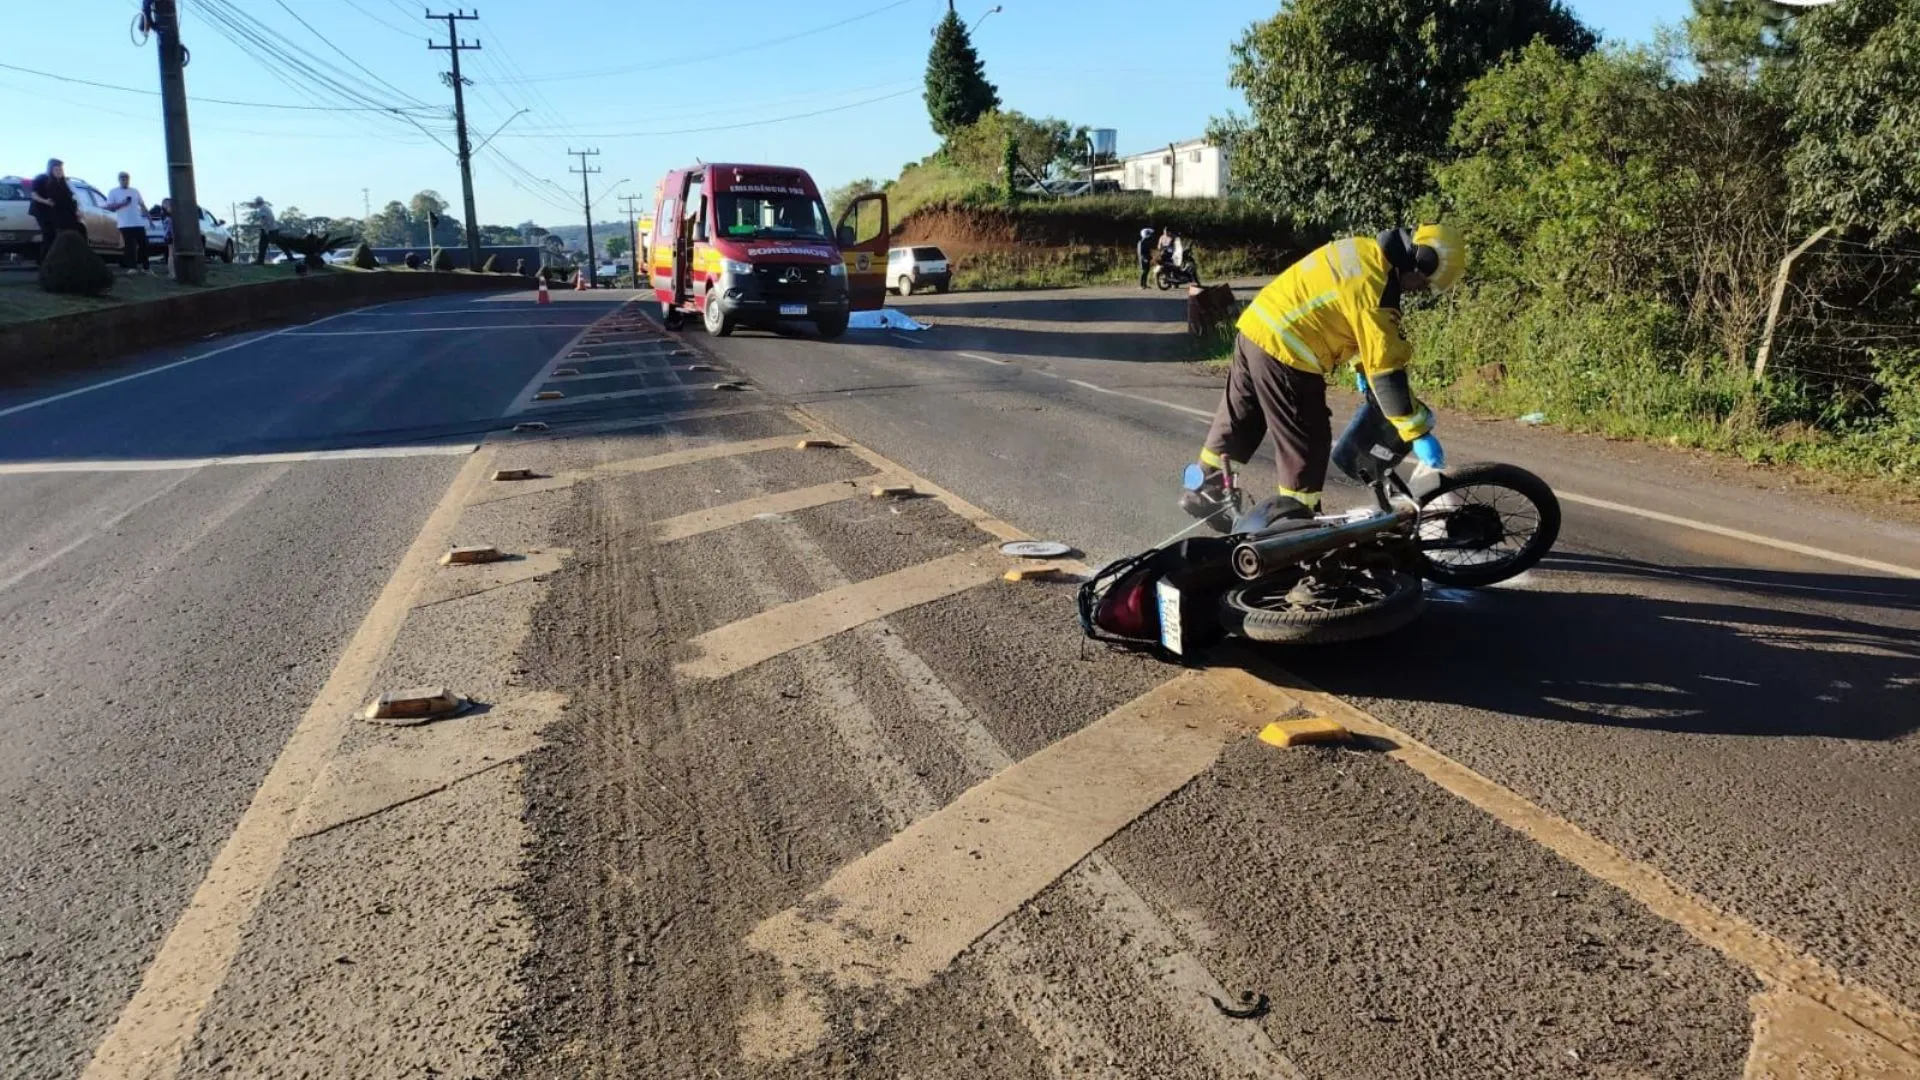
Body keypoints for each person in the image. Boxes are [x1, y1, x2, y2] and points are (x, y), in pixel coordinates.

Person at [1178, 224, 1465, 538]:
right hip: (1288, 350)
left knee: (1241, 420)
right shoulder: (1378, 289)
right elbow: (1387, 373)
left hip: (1256, 329)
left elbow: (1342, 318)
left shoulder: (1363, 250)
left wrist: (1360, 370)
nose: (1416, 291)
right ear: (1420, 262)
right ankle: (1298, 530)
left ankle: (1204, 490)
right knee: (1308, 441)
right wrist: (1416, 430)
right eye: (1422, 284)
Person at [28, 158, 81, 263]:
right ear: (50, 169)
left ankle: (60, 259)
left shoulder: (62, 181)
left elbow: (69, 197)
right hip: (42, 211)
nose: (59, 171)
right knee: (48, 234)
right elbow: (34, 195)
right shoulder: (41, 179)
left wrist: (76, 210)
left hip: (55, 211)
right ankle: (44, 262)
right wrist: (45, 201)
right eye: (56, 169)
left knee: (61, 234)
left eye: (61, 169)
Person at [104, 171, 150, 274]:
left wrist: (149, 219)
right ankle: (132, 267)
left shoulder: (135, 191)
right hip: (124, 223)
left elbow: (142, 205)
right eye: (122, 179)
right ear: (119, 180)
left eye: (126, 179)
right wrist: (122, 203)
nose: (125, 181)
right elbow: (109, 207)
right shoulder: (113, 192)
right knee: (130, 246)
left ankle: (146, 267)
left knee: (144, 244)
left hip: (138, 222)